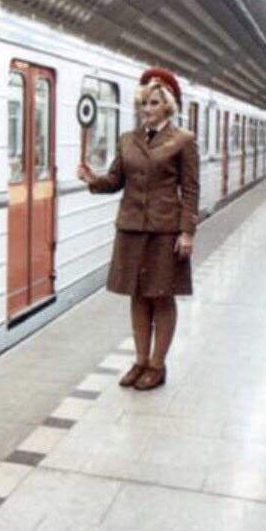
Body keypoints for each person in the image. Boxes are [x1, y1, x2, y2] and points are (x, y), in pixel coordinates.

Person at [77, 67, 200, 390]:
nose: (147, 109)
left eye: (154, 103)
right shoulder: (127, 140)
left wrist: (187, 232)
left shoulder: (183, 141)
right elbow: (116, 181)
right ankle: (140, 361)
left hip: (164, 231)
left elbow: (190, 190)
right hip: (131, 228)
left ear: (168, 106)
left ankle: (158, 366)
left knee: (161, 297)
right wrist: (93, 180)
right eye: (144, 103)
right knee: (137, 295)